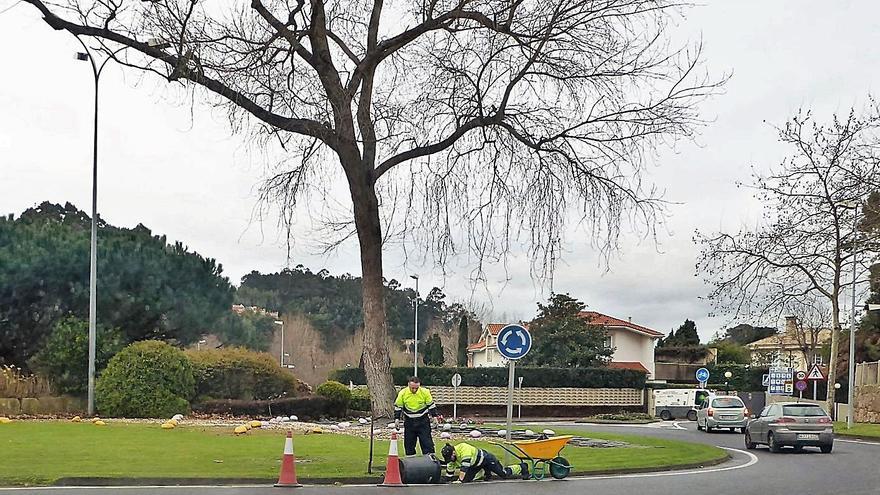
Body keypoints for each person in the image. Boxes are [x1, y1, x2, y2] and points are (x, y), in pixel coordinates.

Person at [393, 376, 438, 456]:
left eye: (416, 388)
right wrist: (397, 419)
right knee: (409, 444)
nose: (414, 390)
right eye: (412, 388)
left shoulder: (425, 392)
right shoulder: (403, 393)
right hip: (409, 422)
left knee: (427, 443)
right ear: (408, 385)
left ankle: (430, 463)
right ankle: (411, 463)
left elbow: (431, 405)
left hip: (423, 421)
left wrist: (435, 417)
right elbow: (398, 406)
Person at [441, 442, 528, 482]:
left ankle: (522, 467)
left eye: (450, 457)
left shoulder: (463, 448)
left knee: (503, 474)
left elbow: (464, 467)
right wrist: (447, 479)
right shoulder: (451, 458)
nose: (451, 460)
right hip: (476, 465)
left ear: (453, 452)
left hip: (487, 459)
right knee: (466, 480)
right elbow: (450, 470)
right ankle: (487, 473)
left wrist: (459, 480)